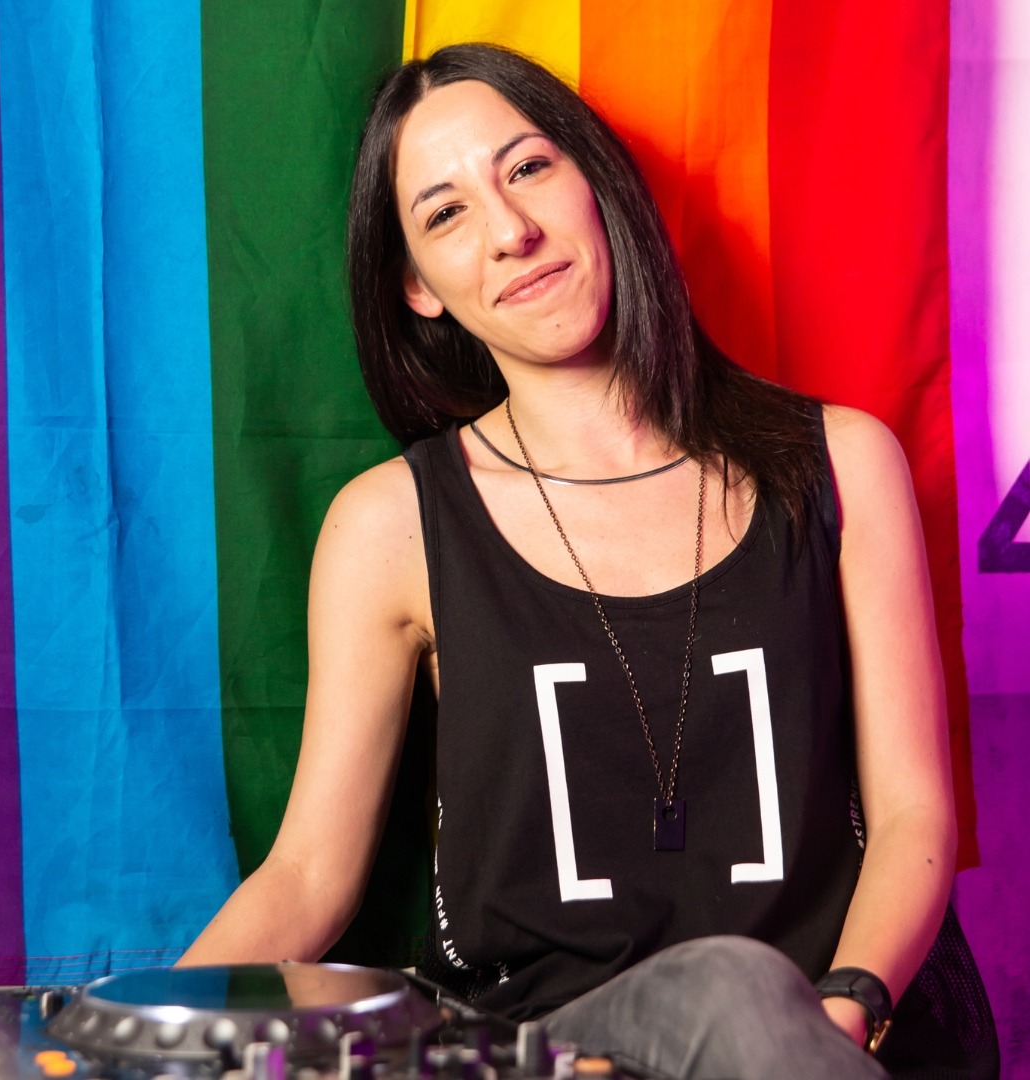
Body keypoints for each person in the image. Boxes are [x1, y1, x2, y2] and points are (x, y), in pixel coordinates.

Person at [179, 45, 959, 1080]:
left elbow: (913, 812)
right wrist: (115, 1038)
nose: (511, 231)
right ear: (418, 287)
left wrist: (845, 1005)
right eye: (446, 214)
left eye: (529, 168)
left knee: (737, 992)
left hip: (821, 1037)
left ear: (597, 182)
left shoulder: (842, 464)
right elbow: (309, 875)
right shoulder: (391, 525)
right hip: (545, 1054)